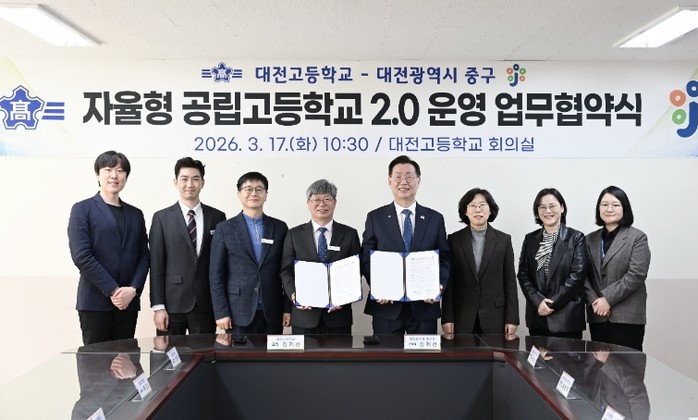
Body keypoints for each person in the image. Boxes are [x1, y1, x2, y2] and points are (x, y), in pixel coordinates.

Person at [361, 155, 450, 334]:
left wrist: (439, 285)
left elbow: (444, 258)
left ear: (418, 181)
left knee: (423, 353)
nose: (404, 181)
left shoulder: (435, 218)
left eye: (409, 176)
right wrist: (378, 286)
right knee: (386, 352)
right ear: (389, 181)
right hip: (386, 307)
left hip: (424, 306)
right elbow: (366, 257)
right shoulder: (375, 217)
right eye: (398, 176)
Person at [68, 151, 149, 346]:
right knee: (96, 361)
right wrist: (113, 290)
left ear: (126, 177)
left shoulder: (136, 214)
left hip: (128, 304)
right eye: (108, 169)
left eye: (120, 171)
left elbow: (144, 256)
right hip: (95, 303)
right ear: (97, 174)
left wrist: (133, 289)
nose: (114, 175)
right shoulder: (82, 209)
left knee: (126, 359)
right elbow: (82, 256)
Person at [149, 157, 227, 336]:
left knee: (204, 352)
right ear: (175, 182)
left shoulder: (217, 217)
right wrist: (158, 307)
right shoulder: (161, 218)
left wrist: (221, 306)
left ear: (202, 183)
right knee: (169, 353)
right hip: (171, 303)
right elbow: (156, 264)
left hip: (205, 303)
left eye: (195, 179)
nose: (190, 184)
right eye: (184, 179)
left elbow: (221, 264)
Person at [209, 172, 291, 334]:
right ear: (239, 194)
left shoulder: (280, 228)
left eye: (259, 189)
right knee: (239, 351)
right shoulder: (225, 228)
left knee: (272, 350)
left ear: (266, 195)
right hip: (237, 311)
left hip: (272, 310)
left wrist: (287, 308)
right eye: (248, 189)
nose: (254, 193)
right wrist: (221, 312)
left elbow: (287, 271)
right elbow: (215, 274)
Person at [280, 179, 361, 334]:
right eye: (316, 199)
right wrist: (294, 295)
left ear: (335, 203)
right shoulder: (294, 235)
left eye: (327, 199)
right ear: (308, 204)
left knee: (341, 351)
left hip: (338, 316)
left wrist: (344, 298)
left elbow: (356, 270)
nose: (321, 204)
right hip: (304, 316)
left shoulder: (349, 234)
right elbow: (286, 270)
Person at [442, 188, 519, 336]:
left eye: (482, 205)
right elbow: (449, 282)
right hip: (462, 315)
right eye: (472, 205)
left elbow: (509, 281)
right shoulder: (454, 240)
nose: (478, 210)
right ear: (465, 211)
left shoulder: (503, 240)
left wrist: (512, 318)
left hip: (495, 315)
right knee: (464, 351)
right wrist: (447, 317)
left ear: (490, 210)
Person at [584, 186, 651, 351]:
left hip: (626, 317)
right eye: (604, 204)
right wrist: (594, 301)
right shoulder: (589, 239)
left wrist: (607, 300)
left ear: (625, 208)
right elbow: (582, 275)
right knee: (600, 365)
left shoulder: (637, 237)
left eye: (615, 204)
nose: (609, 209)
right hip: (597, 315)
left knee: (627, 365)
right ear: (598, 208)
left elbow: (636, 274)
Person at [518, 188, 587, 339]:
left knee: (567, 357)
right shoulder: (530, 239)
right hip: (538, 317)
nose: (547, 211)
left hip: (567, 319)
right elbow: (523, 274)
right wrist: (538, 301)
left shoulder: (576, 238)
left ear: (562, 208)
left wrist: (550, 304)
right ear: (537, 212)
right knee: (537, 355)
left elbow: (577, 275)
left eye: (552, 206)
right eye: (542, 207)